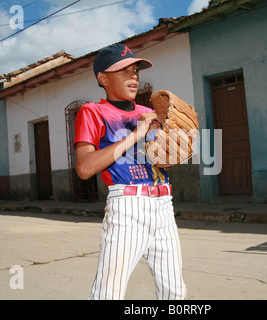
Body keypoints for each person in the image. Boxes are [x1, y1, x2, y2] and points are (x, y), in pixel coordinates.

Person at [74, 43, 187, 300]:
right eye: (123, 70)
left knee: (175, 292)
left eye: (135, 70)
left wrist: (176, 147)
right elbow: (84, 167)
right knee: (109, 292)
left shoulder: (149, 113)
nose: (133, 75)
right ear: (103, 78)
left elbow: (160, 160)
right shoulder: (93, 112)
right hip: (127, 207)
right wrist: (137, 134)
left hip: (163, 205)